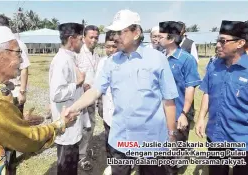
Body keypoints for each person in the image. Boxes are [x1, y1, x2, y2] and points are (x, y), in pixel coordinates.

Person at [65, 9, 179, 175]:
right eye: (113, 32)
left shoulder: (157, 59)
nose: (115, 36)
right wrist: (74, 107)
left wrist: (171, 134)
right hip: (121, 139)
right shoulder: (111, 63)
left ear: (136, 32)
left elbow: (169, 101)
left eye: (120, 32)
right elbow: (96, 90)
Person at [0, 26, 79, 175]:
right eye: (18, 53)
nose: (22, 59)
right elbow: (27, 139)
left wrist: (17, 119)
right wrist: (61, 123)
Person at [195, 20, 248, 175]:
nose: (218, 45)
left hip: (244, 141)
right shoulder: (213, 65)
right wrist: (201, 118)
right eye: (217, 41)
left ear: (240, 43)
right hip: (216, 136)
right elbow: (207, 92)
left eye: (223, 41)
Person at [158, 21, 201, 175]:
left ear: (170, 39)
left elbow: (190, 87)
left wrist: (184, 114)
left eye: (160, 36)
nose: (157, 39)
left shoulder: (186, 59)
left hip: (177, 114)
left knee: (174, 154)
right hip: (160, 114)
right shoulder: (159, 57)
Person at [49, 22, 88, 175]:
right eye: (81, 38)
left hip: (71, 123)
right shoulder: (62, 61)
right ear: (72, 39)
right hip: (66, 127)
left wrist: (81, 88)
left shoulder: (70, 58)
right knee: (66, 168)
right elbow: (57, 94)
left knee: (71, 167)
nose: (83, 42)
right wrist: (77, 84)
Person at [0, 14, 30, 113]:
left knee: (15, 124)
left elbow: (24, 68)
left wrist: (22, 92)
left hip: (14, 92)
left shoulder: (18, 44)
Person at [75, 25, 100, 170]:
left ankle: (82, 151)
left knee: (90, 125)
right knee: (81, 127)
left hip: (92, 97)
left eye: (96, 37)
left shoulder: (96, 55)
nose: (94, 40)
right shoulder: (77, 54)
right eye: (91, 37)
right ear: (83, 37)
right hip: (80, 98)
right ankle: (81, 157)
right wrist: (82, 85)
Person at [96, 30, 118, 175]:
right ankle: (111, 164)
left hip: (123, 112)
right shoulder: (102, 62)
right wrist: (99, 104)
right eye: (107, 46)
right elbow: (97, 86)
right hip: (107, 109)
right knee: (108, 138)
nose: (110, 50)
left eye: (113, 46)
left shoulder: (128, 61)